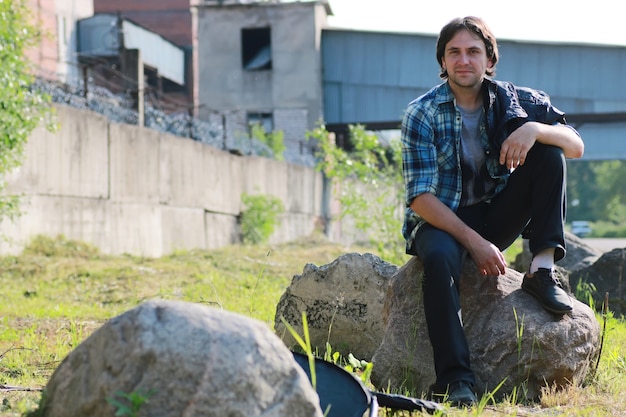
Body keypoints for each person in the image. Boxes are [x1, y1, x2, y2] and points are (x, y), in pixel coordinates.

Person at [400, 16, 584, 407]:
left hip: (494, 213)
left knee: (550, 155)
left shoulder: (516, 101)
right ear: (443, 61)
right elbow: (420, 197)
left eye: (473, 51)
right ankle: (455, 381)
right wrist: (475, 242)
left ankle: (542, 269)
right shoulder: (422, 113)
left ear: (489, 60)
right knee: (438, 259)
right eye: (454, 52)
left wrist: (534, 130)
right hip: (440, 220)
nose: (463, 60)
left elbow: (575, 146)